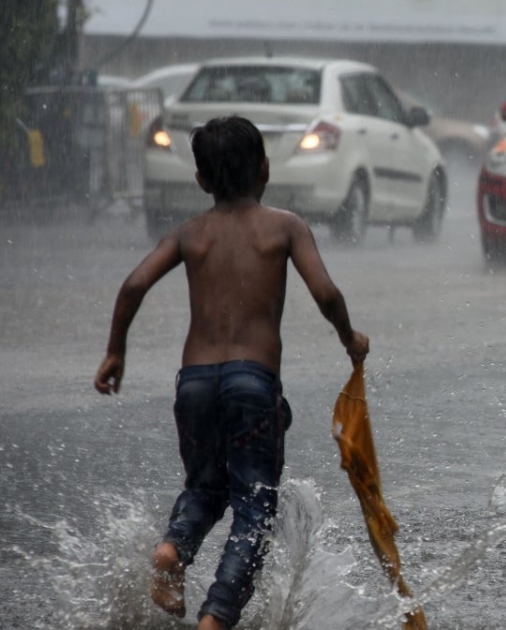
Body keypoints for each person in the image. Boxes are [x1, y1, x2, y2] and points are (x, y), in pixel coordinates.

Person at [93, 116, 369, 629]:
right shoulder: (285, 227)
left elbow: (133, 285)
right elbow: (326, 292)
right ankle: (217, 617)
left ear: (201, 180)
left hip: (195, 383)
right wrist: (348, 338)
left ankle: (173, 549)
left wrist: (115, 352)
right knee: (253, 508)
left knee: (204, 489)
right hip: (253, 384)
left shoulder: (189, 234)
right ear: (265, 169)